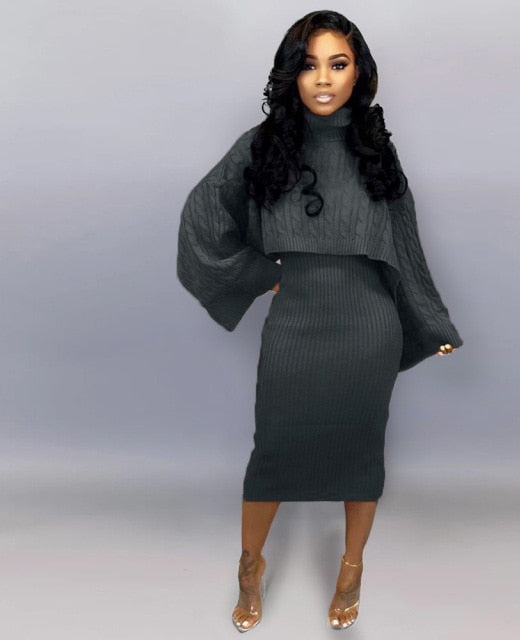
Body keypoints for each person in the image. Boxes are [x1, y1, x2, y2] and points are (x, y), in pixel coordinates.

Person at [177, 10, 462, 632]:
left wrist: (431, 320)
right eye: (309, 65)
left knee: (361, 453)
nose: (324, 79)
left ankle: (351, 569)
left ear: (360, 73)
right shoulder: (263, 145)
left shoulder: (375, 148)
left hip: (369, 327)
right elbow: (203, 216)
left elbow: (404, 243)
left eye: (339, 64)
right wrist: (258, 272)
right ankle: (250, 566)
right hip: (296, 322)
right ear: (291, 74)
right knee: (273, 453)